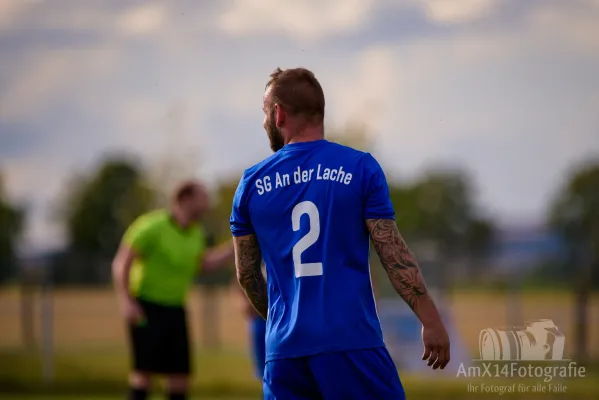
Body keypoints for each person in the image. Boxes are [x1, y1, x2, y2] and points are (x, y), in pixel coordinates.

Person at [229, 67, 450, 399]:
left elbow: (247, 274)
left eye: (264, 113)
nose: (265, 122)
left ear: (278, 115)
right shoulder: (360, 168)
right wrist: (430, 319)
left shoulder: (251, 183)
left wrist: (283, 321)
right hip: (350, 342)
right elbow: (393, 255)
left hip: (284, 354)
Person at [112, 180, 234, 400]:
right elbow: (121, 263)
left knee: (180, 378)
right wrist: (127, 301)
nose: (207, 204)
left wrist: (239, 244)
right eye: (203, 198)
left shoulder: (195, 233)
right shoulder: (151, 225)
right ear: (185, 198)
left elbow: (204, 264)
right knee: (143, 375)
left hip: (175, 310)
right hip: (146, 308)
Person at [235, 262, 267, 381]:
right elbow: (241, 276)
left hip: (284, 316)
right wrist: (244, 302)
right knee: (265, 375)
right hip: (260, 319)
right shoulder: (257, 248)